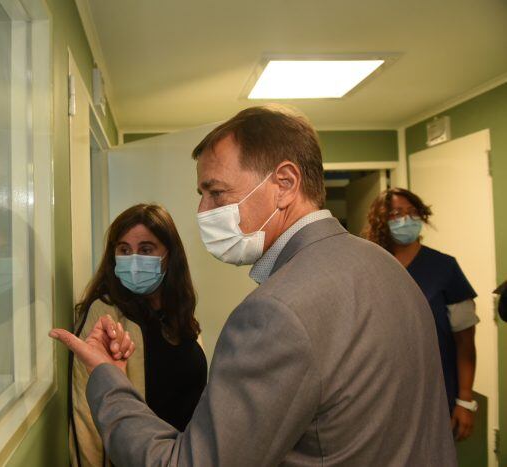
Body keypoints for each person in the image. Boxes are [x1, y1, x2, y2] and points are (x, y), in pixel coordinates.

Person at [51, 106, 456, 466]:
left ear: (284, 183)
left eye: (215, 192)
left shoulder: (277, 311)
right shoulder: (384, 265)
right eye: (201, 195)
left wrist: (109, 381)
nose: (202, 211)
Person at [69, 204, 207, 466]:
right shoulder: (105, 314)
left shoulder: (180, 313)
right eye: (124, 250)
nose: (133, 259)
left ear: (169, 255)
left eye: (145, 249)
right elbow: (86, 416)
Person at [364, 188, 479, 442]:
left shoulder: (445, 268)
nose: (406, 219)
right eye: (397, 213)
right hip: (381, 395)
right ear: (382, 221)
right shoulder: (371, 266)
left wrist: (465, 399)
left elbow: (465, 343)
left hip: (436, 394)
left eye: (413, 212)